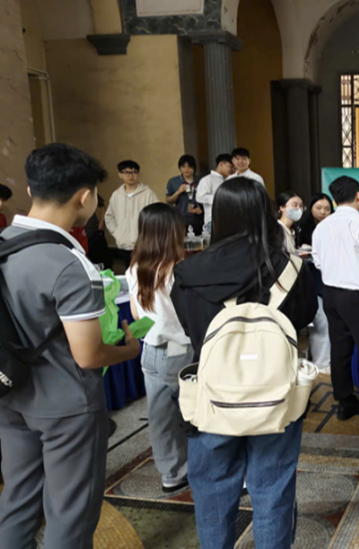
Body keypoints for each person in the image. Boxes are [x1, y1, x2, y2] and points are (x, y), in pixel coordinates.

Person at [0, 143, 141, 548]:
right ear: (84, 197)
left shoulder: (4, 242)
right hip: (66, 407)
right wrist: (128, 350)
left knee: (18, 500)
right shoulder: (69, 262)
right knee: (70, 512)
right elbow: (89, 353)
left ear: (31, 191)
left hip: (11, 394)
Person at [171, 177, 317, 548]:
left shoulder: (189, 273)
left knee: (213, 493)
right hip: (277, 397)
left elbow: (192, 329)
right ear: (266, 213)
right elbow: (302, 317)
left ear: (218, 215)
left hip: (213, 396)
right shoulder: (290, 269)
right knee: (273, 489)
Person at [312, 176, 359, 431]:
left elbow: (319, 262)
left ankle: (345, 403)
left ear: (334, 199)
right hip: (358, 296)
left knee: (340, 350)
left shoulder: (322, 226)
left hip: (331, 294)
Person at [126, 204, 193, 493]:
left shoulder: (135, 268)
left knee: (160, 416)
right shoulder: (180, 269)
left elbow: (137, 315)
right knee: (195, 413)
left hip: (151, 350)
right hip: (181, 350)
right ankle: (209, 468)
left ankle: (171, 474)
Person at [296, 193, 335, 373]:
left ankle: (324, 360)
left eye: (327, 209)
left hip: (331, 280)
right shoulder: (301, 228)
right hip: (310, 281)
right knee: (321, 322)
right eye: (319, 208)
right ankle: (321, 363)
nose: (323, 212)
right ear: (310, 208)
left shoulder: (335, 227)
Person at [105, 160, 159, 268]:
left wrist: (148, 236)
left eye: (134, 172)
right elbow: (109, 217)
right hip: (123, 245)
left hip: (143, 245)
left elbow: (157, 215)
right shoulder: (116, 195)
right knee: (128, 274)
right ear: (120, 174)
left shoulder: (148, 193)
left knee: (144, 274)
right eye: (127, 172)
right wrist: (117, 233)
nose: (131, 175)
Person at [166, 154, 204, 235]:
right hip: (180, 219)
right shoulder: (173, 181)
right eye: (183, 167)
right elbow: (168, 200)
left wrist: (201, 210)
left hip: (198, 219)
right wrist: (178, 192)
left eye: (189, 166)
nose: (186, 169)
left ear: (194, 168)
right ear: (180, 168)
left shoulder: (201, 181)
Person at [196, 153, 234, 230]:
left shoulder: (228, 180)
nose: (232, 170)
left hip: (228, 220)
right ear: (221, 164)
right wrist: (220, 198)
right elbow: (199, 197)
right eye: (230, 166)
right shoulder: (207, 179)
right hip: (213, 221)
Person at [85, 194, 112, 268]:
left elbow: (102, 206)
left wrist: (102, 223)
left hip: (95, 234)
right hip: (84, 234)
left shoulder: (93, 195)